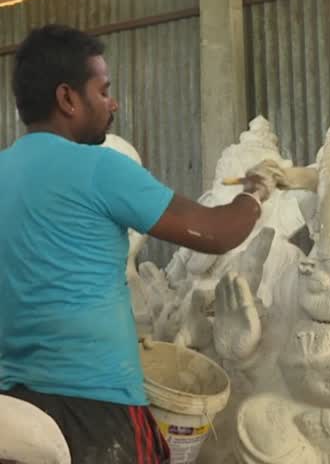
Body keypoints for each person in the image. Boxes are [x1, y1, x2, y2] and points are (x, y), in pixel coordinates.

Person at [0, 24, 283, 463]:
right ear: (68, 99)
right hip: (95, 409)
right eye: (104, 90)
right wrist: (254, 193)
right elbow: (217, 232)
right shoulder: (99, 168)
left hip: (14, 407)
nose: (113, 103)